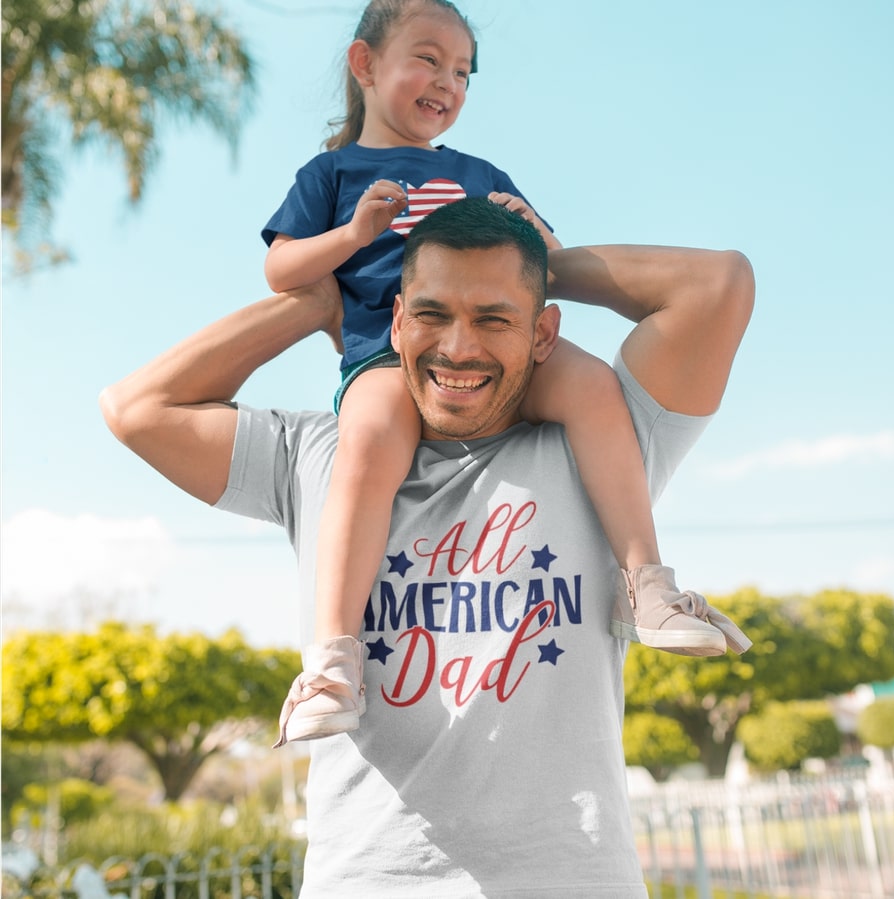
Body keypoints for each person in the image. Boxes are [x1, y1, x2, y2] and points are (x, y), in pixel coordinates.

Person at [100, 196, 755, 897]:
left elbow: (717, 286)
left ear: (543, 334)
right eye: (433, 313)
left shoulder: (603, 444)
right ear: (398, 320)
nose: (458, 347)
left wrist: (543, 267)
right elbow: (137, 409)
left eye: (494, 318)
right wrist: (312, 305)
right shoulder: (322, 455)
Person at [260, 0, 745, 741]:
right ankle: (333, 657)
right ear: (365, 65)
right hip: (388, 358)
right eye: (428, 58)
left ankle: (647, 583)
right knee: (364, 446)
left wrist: (538, 233)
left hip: (501, 359)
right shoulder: (333, 172)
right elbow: (280, 267)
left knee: (591, 385)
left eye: (462, 72)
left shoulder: (477, 172)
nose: (447, 81)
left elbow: (539, 265)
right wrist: (353, 234)